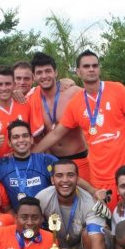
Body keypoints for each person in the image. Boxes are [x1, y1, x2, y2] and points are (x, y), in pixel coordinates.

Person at [32, 49, 125, 211]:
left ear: (99, 69)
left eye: (94, 66)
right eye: (86, 66)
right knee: (107, 221)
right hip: (100, 176)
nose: (91, 69)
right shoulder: (75, 103)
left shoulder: (117, 89)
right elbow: (56, 134)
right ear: (78, 71)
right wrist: (30, 154)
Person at [36, 159, 109, 249]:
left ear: (77, 178)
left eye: (70, 175)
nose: (65, 180)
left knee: (89, 234)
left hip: (86, 245)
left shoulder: (90, 202)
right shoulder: (43, 197)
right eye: (59, 176)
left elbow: (96, 238)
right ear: (52, 179)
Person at [27, 52, 91, 181]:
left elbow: (98, 100)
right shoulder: (31, 99)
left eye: (48, 71)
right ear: (34, 76)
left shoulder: (74, 92)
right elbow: (4, 96)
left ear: (55, 72)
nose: (44, 76)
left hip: (79, 158)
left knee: (87, 198)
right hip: (53, 161)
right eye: (39, 72)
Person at [0, 120, 58, 210]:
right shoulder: (0, 166)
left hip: (45, 220)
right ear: (9, 143)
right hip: (17, 220)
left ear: (31, 139)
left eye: (25, 136)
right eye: (16, 137)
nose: (21, 140)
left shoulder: (46, 161)